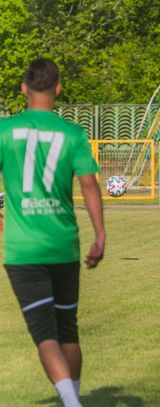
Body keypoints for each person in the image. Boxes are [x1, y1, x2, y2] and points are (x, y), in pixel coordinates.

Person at [0, 58, 105, 407]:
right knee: (67, 329)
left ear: (23, 89)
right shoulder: (72, 133)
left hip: (23, 249)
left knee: (45, 334)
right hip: (63, 244)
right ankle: (73, 398)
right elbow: (89, 185)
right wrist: (100, 236)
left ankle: (72, 403)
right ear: (58, 89)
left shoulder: (5, 130)